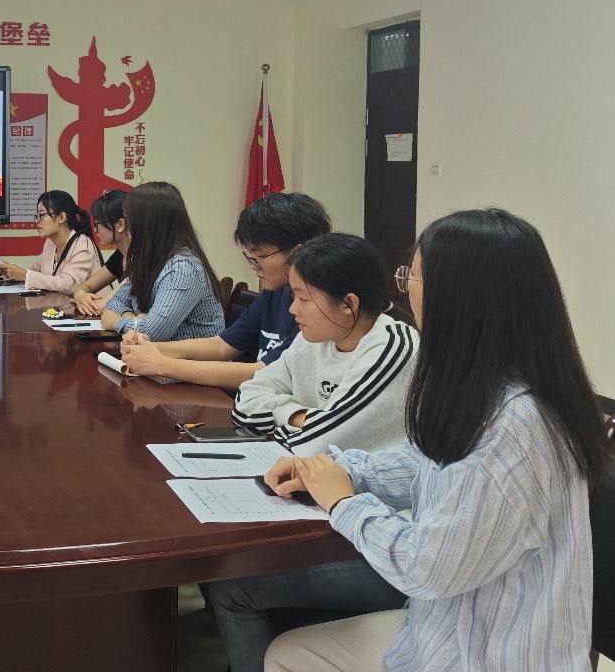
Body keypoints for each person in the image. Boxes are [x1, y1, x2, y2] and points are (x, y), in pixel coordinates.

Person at [261, 209, 609, 672]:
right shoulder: (491, 388)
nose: (405, 289)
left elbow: (425, 568)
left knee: (285, 652)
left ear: (460, 297)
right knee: (289, 648)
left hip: (487, 653)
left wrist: (345, 503)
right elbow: (425, 462)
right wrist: (338, 471)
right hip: (445, 630)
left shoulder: (515, 424)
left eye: (413, 276)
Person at [121, 192, 331, 389]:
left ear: (298, 253)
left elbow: (266, 374)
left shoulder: (320, 307)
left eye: (260, 257)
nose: (254, 266)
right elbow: (222, 345)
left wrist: (161, 364)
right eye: (250, 257)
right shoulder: (274, 291)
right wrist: (149, 347)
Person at [230, 233, 416, 455]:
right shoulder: (313, 337)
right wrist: (297, 415)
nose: (293, 309)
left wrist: (298, 422)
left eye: (304, 299)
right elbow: (244, 403)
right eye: (293, 297)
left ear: (348, 303)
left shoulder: (392, 348)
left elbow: (319, 445)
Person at [100, 181, 224, 342]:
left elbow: (152, 333)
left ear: (147, 225)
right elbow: (114, 303)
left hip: (191, 358)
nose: (127, 230)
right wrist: (134, 319)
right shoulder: (148, 260)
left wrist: (115, 322)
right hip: (158, 354)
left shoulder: (182, 267)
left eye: (130, 221)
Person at [0, 190, 99, 293]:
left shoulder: (83, 244)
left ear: (61, 217)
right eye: (37, 215)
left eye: (42, 215)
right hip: (60, 306)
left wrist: (25, 275)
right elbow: (36, 271)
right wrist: (9, 270)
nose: (37, 221)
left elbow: (70, 284)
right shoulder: (50, 242)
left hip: (91, 310)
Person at [72, 189, 128, 316]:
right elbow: (85, 287)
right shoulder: (120, 254)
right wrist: (81, 295)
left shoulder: (141, 260)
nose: (95, 230)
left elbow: (99, 307)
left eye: (97, 224)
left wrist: (84, 301)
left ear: (120, 224)